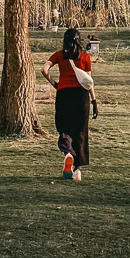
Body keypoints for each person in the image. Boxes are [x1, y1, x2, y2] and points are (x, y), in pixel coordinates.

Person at [41, 26, 98, 181]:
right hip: (81, 96)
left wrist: (55, 84)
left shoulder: (59, 55)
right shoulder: (85, 57)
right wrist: (94, 101)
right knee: (80, 132)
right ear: (79, 40)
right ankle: (77, 170)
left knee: (64, 128)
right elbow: (89, 82)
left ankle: (68, 154)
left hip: (64, 95)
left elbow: (44, 69)